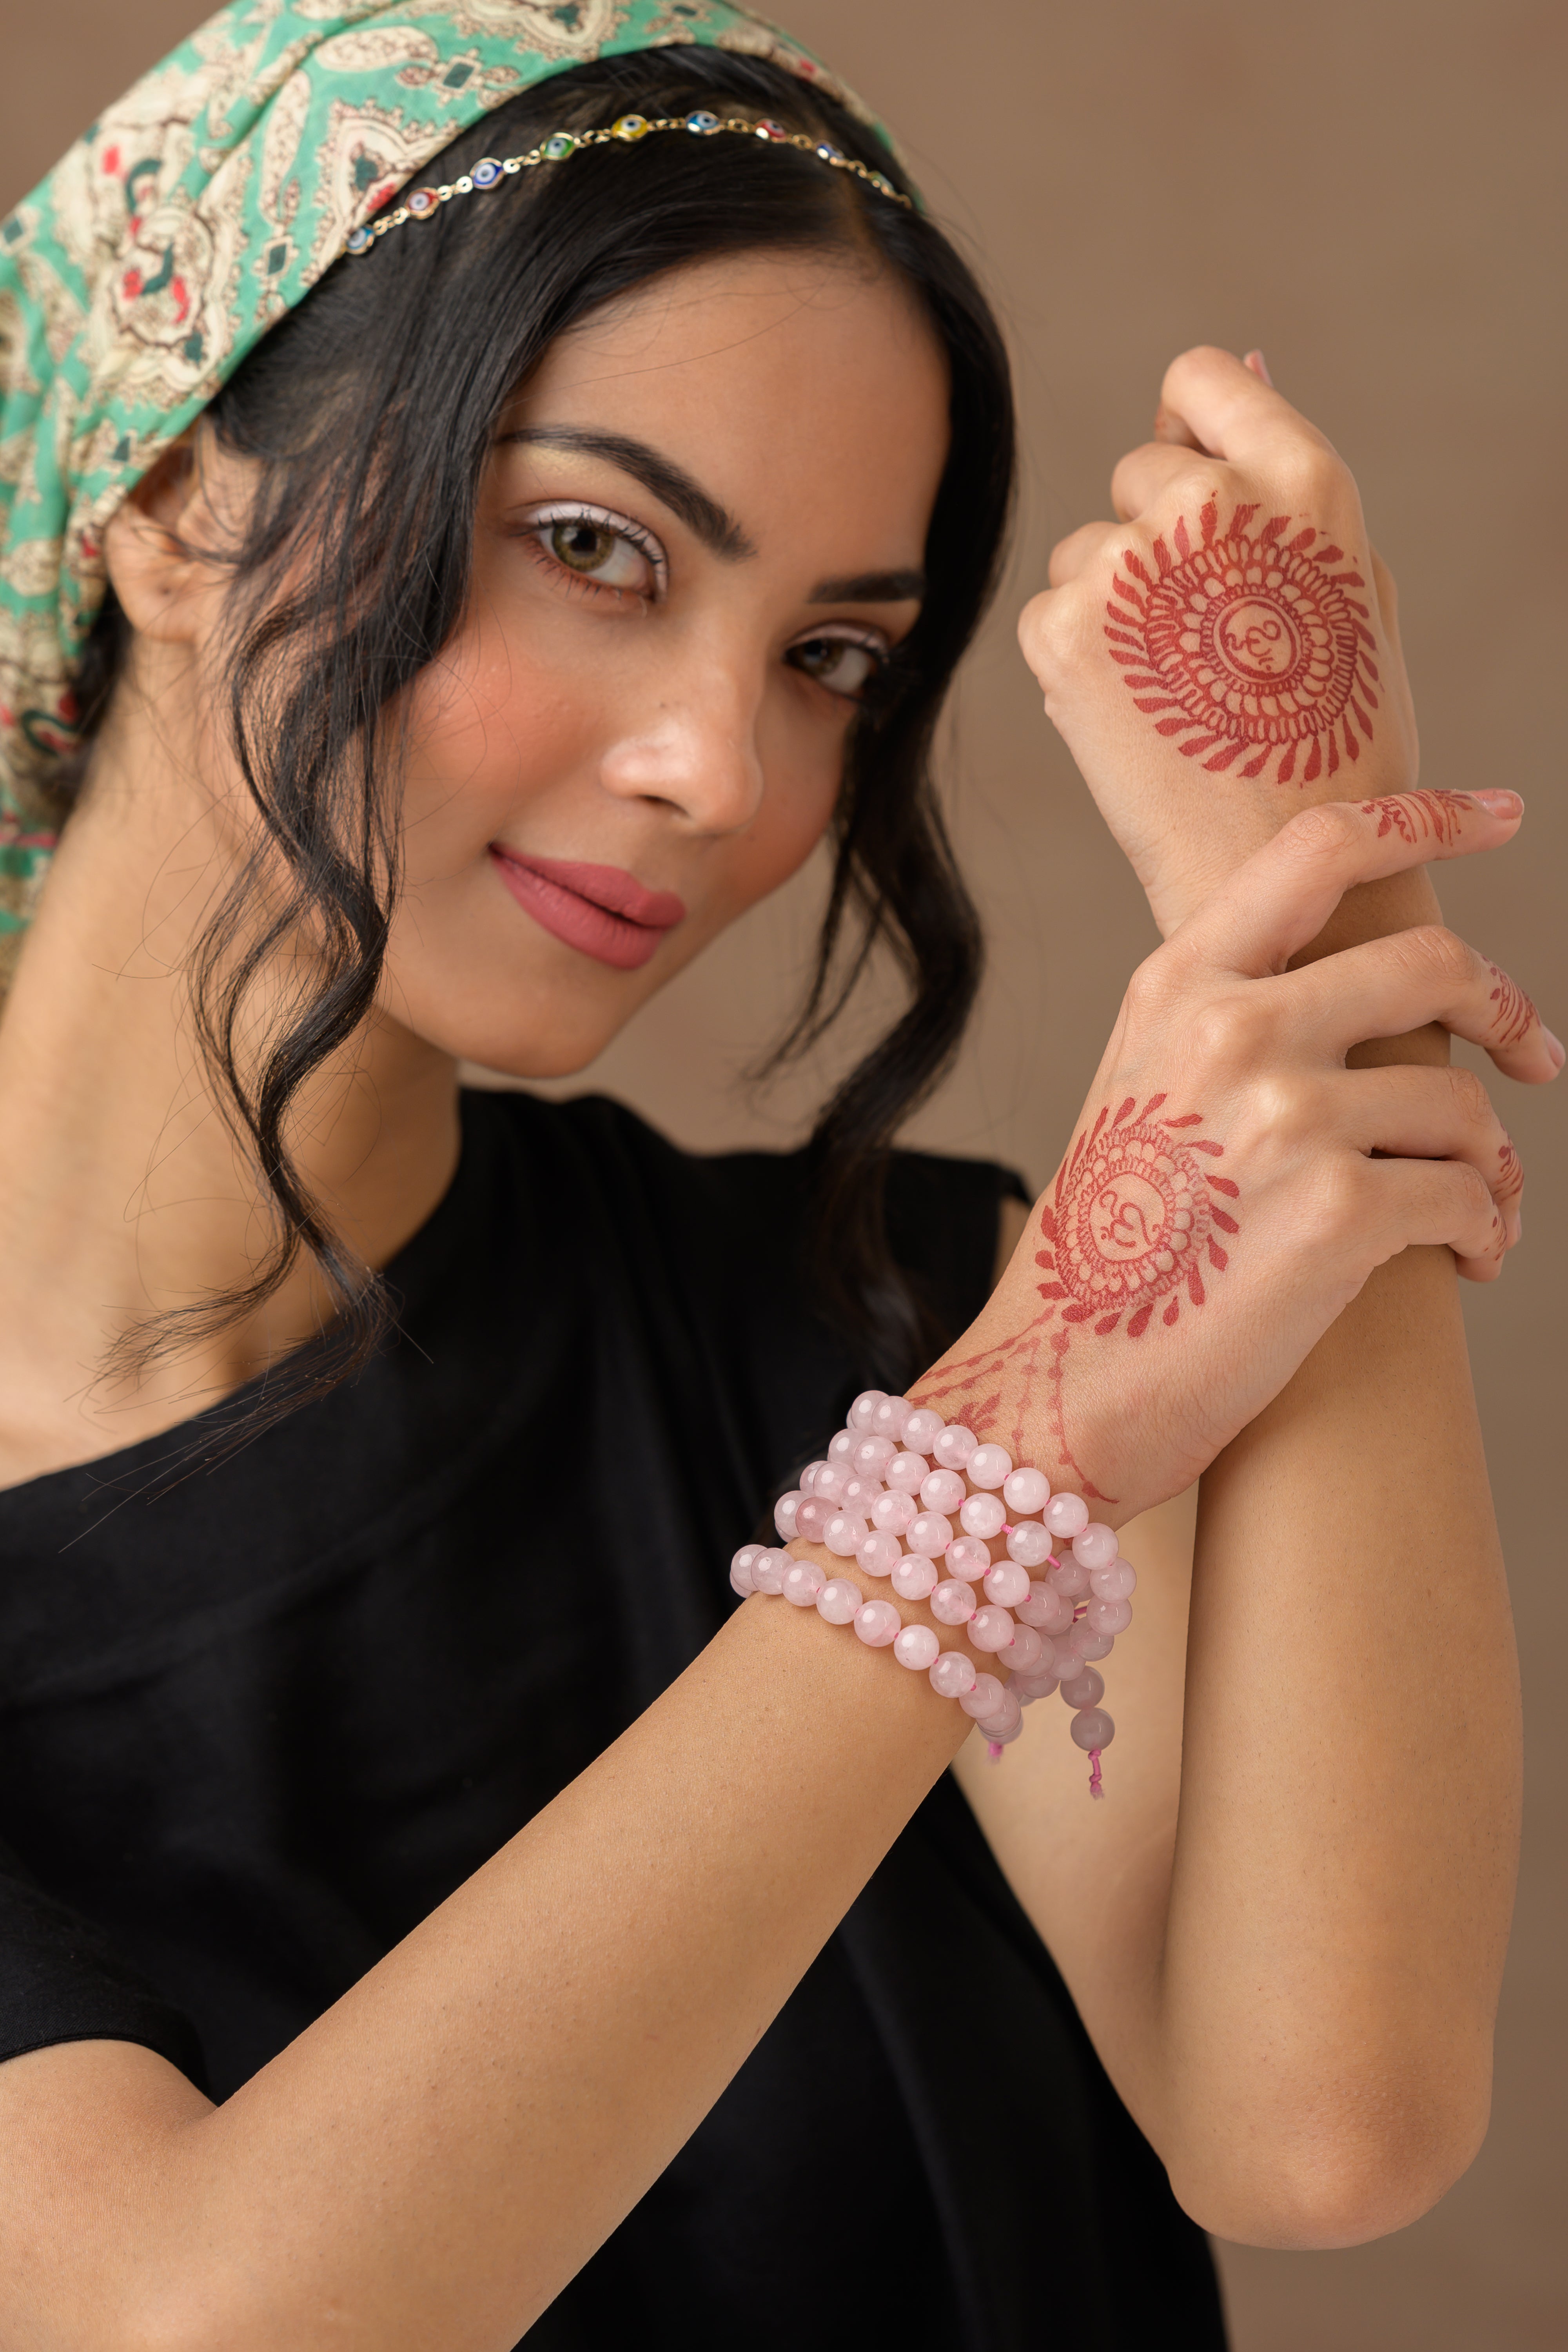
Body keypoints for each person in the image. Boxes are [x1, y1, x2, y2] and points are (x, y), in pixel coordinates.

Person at [0, 5, 1550, 2347]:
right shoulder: (1017, 1380)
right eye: (594, 545)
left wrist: (1331, 888)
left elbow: (1324, 2121)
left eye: (834, 652)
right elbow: (187, 2319)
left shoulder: (888, 1309)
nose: (724, 766)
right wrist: (1015, 1445)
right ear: (168, 498)